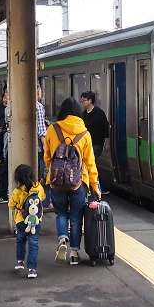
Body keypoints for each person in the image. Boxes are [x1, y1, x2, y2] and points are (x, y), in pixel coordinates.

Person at [43, 97, 100, 266]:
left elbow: (47, 157)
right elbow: (90, 162)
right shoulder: (85, 134)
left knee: (61, 213)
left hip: (56, 180)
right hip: (79, 181)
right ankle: (74, 252)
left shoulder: (53, 130)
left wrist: (55, 172)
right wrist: (95, 186)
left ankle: (62, 240)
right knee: (76, 217)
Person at [8, 163, 46, 278]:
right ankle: (32, 269)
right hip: (36, 221)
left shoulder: (17, 191)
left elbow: (11, 205)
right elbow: (43, 198)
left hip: (21, 221)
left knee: (21, 240)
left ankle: (20, 261)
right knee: (33, 244)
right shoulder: (38, 187)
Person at [80, 90, 110, 192]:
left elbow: (105, 128)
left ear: (90, 101)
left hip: (97, 143)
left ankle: (95, 188)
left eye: (84, 100)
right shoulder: (83, 114)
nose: (82, 102)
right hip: (86, 144)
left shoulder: (99, 113)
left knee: (90, 164)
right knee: (90, 165)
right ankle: (96, 187)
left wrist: (107, 143)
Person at [35, 84, 51, 210]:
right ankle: (45, 202)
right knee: (43, 174)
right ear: (38, 92)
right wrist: (46, 147)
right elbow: (41, 130)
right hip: (38, 147)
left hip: (27, 146)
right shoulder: (38, 106)